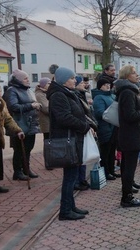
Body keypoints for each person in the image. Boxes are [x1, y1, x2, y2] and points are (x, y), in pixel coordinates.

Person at [46, 66, 91, 220]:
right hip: (67, 139)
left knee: (71, 176)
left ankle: (70, 206)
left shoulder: (67, 93)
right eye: (72, 78)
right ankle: (65, 211)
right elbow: (64, 118)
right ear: (64, 80)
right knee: (70, 178)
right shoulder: (58, 95)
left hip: (73, 138)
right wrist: (84, 126)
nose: (75, 80)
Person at [115, 65, 140, 207]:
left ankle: (128, 188)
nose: (137, 75)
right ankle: (127, 197)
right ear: (127, 76)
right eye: (134, 73)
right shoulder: (128, 92)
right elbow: (130, 115)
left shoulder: (129, 91)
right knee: (129, 166)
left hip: (130, 134)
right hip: (130, 135)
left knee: (127, 165)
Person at [4, 69, 41, 180]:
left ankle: (26, 169)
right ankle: (17, 172)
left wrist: (37, 106)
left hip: (31, 124)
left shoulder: (28, 90)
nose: (28, 80)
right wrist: (31, 106)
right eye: (25, 78)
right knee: (19, 149)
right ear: (18, 80)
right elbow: (13, 107)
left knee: (28, 148)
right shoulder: (12, 90)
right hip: (19, 124)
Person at [92, 77, 121, 180]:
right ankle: (105, 171)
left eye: (108, 84)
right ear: (100, 87)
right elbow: (99, 113)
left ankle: (112, 170)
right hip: (105, 128)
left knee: (112, 150)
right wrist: (112, 113)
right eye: (105, 85)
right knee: (105, 152)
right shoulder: (98, 97)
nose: (108, 86)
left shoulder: (112, 96)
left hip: (114, 127)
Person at [74, 75, 98, 190]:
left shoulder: (81, 95)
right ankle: (78, 181)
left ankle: (82, 179)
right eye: (81, 83)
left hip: (85, 127)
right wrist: (89, 125)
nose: (84, 84)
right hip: (80, 128)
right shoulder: (75, 96)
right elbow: (81, 114)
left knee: (83, 156)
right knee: (79, 157)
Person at [35, 77, 52, 170]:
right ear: (43, 85)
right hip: (46, 122)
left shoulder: (46, 93)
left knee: (51, 142)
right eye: (48, 83)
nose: (50, 85)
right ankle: (48, 162)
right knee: (48, 143)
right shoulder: (39, 95)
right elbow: (46, 108)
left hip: (50, 122)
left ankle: (51, 161)